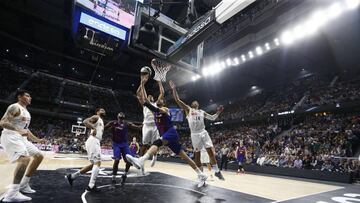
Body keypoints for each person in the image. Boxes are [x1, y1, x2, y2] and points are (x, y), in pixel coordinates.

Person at [126, 75, 208, 187]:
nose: (159, 99)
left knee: (157, 143)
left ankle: (142, 160)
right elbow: (144, 100)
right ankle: (201, 174)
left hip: (171, 133)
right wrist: (142, 83)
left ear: (163, 102)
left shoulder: (165, 109)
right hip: (168, 135)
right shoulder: (154, 111)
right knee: (185, 157)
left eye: (161, 99)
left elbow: (154, 107)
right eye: (158, 99)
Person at [169, 80, 225, 181]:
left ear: (198, 105)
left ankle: (217, 171)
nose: (195, 102)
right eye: (193, 102)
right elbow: (177, 100)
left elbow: (212, 118)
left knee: (210, 152)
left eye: (196, 102)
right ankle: (201, 175)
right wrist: (174, 89)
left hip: (203, 132)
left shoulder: (202, 112)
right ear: (192, 104)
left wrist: (218, 112)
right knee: (197, 156)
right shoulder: (188, 110)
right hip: (194, 134)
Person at [0, 90, 45, 202]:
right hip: (11, 136)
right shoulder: (15, 107)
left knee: (39, 156)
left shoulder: (26, 112)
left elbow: (26, 130)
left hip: (21, 138)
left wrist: (37, 140)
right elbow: (3, 122)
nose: (30, 98)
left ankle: (24, 184)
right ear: (20, 97)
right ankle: (12, 194)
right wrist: (18, 130)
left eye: (30, 96)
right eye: (27, 95)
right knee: (25, 160)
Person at [65, 108, 106, 192]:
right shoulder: (96, 117)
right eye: (101, 110)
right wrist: (93, 128)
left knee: (93, 165)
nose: (103, 111)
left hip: (95, 141)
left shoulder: (101, 121)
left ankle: (72, 176)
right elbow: (85, 121)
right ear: (97, 111)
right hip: (93, 140)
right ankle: (91, 186)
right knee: (98, 162)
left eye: (104, 110)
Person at [136, 65, 164, 167]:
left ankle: (154, 157)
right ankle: (140, 160)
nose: (150, 96)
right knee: (144, 144)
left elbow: (162, 92)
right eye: (148, 95)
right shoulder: (145, 104)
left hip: (155, 125)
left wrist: (159, 82)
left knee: (155, 143)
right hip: (146, 125)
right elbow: (139, 94)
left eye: (151, 95)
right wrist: (142, 84)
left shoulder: (156, 104)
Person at [104, 112, 142, 186]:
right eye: (120, 118)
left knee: (129, 161)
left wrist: (142, 126)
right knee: (117, 160)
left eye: (123, 118)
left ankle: (124, 175)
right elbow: (103, 128)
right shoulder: (112, 123)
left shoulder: (127, 124)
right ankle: (113, 178)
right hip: (116, 144)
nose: (121, 120)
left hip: (124, 144)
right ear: (117, 118)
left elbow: (136, 127)